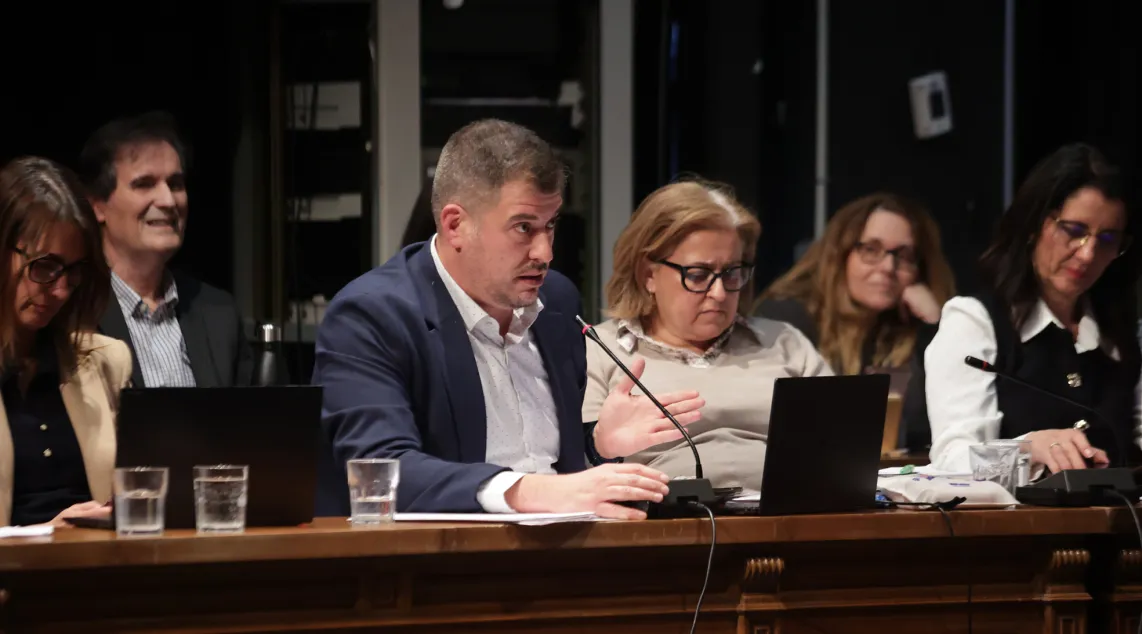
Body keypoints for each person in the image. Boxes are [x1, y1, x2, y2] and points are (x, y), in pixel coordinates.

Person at [313, 119, 704, 519]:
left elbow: (549, 463)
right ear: (455, 225)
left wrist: (598, 444)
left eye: (550, 225)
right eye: (523, 228)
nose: (545, 253)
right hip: (440, 552)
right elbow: (381, 470)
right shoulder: (370, 316)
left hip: (566, 544)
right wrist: (526, 490)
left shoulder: (556, 301)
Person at [582, 180, 832, 490]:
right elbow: (576, 468)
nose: (719, 293)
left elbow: (842, 444)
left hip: (791, 511)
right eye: (698, 275)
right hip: (661, 515)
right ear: (648, 275)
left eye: (732, 273)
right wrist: (601, 445)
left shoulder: (783, 343)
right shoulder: (599, 351)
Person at [925, 143, 1140, 473]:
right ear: (1033, 225)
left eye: (1108, 240)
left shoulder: (1121, 335)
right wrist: (1027, 449)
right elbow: (952, 461)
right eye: (1074, 231)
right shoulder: (975, 321)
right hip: (1014, 509)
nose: (1087, 254)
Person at [0, 157, 133, 527]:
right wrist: (46, 534)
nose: (60, 290)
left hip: (98, 561)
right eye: (44, 266)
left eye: (72, 272)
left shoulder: (106, 361)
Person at [78, 111, 252, 389]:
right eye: (144, 184)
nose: (168, 200)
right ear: (97, 206)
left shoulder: (219, 313)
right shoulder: (73, 310)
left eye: (176, 184)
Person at [756, 193, 955, 377]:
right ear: (839, 256)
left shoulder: (912, 328)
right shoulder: (787, 320)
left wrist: (936, 324)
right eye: (871, 250)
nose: (888, 267)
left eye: (904, 256)